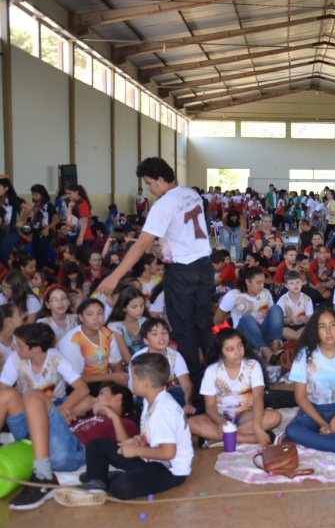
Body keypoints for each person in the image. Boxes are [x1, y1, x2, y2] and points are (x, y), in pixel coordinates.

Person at [96, 158, 215, 386]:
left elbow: (140, 246)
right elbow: (184, 234)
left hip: (183, 272)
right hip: (203, 266)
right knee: (204, 325)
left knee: (184, 329)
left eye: (150, 183)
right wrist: (165, 249)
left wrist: (115, 275)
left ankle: (195, 385)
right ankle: (213, 378)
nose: (148, 188)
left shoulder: (162, 205)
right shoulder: (191, 194)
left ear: (161, 180)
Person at [78, 353, 194, 501]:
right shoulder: (150, 400)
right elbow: (150, 434)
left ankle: (112, 479)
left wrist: (135, 450)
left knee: (120, 488)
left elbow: (168, 453)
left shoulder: (163, 410)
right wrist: (137, 439)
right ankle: (96, 483)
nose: (131, 383)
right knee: (97, 445)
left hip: (169, 470)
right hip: (150, 459)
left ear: (145, 383)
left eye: (134, 378)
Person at [0, 323, 89, 510]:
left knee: (33, 396)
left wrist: (63, 408)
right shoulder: (16, 359)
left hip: (53, 417)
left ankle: (43, 476)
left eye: (21, 346)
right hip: (30, 426)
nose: (16, 349)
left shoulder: (55, 359)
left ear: (36, 349)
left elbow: (83, 389)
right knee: (6, 395)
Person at [284, 309, 335, 455]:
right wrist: (322, 423)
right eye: (322, 327)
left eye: (332, 325)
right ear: (315, 331)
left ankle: (316, 440)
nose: (329, 331)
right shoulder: (304, 354)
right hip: (311, 411)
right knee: (292, 430)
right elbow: (300, 397)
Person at [188, 328, 281, 447]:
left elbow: (258, 398)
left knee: (274, 417)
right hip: (221, 417)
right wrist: (221, 421)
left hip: (247, 416)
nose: (237, 353)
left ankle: (218, 438)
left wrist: (257, 426)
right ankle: (247, 438)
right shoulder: (212, 371)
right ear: (221, 353)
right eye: (230, 350)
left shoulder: (253, 366)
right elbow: (210, 406)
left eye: (239, 346)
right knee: (191, 423)